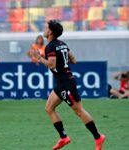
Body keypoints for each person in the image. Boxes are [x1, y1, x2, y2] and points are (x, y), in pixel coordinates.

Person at [28, 20, 105, 150]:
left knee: (79, 111)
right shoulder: (62, 44)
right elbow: (74, 60)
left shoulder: (51, 46)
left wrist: (39, 58)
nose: (44, 29)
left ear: (50, 32)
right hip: (62, 82)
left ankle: (98, 137)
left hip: (65, 83)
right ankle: (63, 137)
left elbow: (51, 64)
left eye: (46, 27)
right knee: (49, 108)